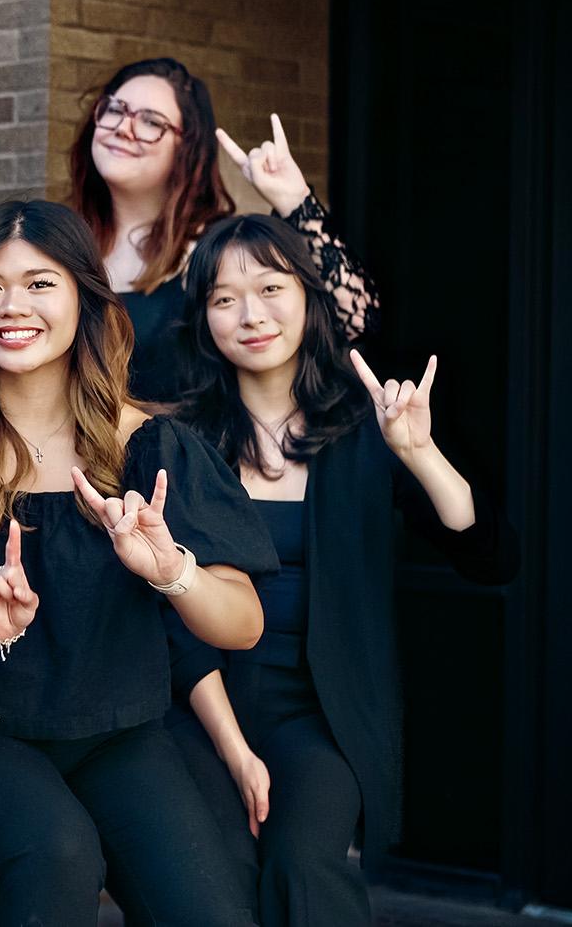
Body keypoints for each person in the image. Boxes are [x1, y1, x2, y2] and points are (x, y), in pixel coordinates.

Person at [0, 199, 275, 927]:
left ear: (85, 295)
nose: (13, 306)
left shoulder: (153, 449)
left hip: (117, 733)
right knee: (57, 852)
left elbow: (243, 624)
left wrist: (172, 570)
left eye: (40, 282)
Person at [164, 214, 516, 926]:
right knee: (217, 880)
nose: (251, 314)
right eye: (225, 298)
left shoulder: (366, 424)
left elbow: (491, 557)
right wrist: (233, 750)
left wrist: (417, 451)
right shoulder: (182, 437)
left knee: (304, 863)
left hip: (320, 709)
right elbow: (163, 610)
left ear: (310, 299)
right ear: (203, 318)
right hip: (196, 706)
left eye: (270, 287)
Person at [64, 57, 376, 401]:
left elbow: (356, 317)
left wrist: (295, 201)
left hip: (176, 453)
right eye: (115, 109)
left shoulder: (215, 248)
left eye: (151, 121)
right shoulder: (62, 244)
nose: (124, 128)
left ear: (186, 149)